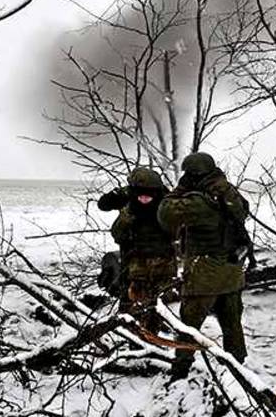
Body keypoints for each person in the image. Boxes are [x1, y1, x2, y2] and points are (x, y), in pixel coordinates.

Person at [157, 152, 252, 378]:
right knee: (232, 325)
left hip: (204, 276)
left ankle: (180, 371)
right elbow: (243, 210)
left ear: (194, 175)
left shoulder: (200, 201)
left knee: (188, 327)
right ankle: (238, 370)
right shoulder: (227, 192)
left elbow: (165, 214)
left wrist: (179, 190)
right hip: (232, 273)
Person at [97, 167, 174, 332]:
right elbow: (103, 204)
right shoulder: (165, 200)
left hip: (148, 264)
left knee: (144, 306)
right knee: (144, 305)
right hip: (146, 263)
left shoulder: (161, 204)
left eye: (149, 194)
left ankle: (143, 339)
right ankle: (142, 338)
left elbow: (117, 234)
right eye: (141, 194)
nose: (145, 199)